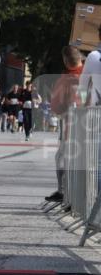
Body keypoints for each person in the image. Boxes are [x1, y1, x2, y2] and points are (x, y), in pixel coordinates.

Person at [46, 46, 83, 203]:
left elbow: (57, 106)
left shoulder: (65, 79)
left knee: (62, 158)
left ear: (65, 61)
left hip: (71, 127)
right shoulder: (90, 72)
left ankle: (65, 193)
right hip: (91, 127)